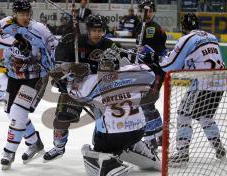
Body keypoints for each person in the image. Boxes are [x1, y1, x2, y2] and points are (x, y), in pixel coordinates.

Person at [57, 47, 163, 175]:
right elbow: (152, 71)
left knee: (92, 146)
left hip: (112, 137)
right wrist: (148, 61)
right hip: (138, 131)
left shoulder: (93, 82)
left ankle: (109, 166)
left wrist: (67, 83)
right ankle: (151, 159)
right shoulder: (139, 74)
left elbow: (76, 94)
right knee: (127, 133)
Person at [0, 0, 58, 170]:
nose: (25, 17)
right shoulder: (5, 24)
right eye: (21, 14)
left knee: (18, 112)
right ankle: (34, 142)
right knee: (11, 113)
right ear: (15, 13)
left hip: (36, 77)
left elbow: (54, 47)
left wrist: (57, 72)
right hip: (14, 75)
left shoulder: (39, 29)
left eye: (27, 14)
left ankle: (9, 152)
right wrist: (15, 42)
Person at [43, 15, 120, 162]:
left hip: (100, 92)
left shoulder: (111, 46)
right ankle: (58, 147)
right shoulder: (76, 42)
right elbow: (60, 67)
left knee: (105, 121)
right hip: (76, 89)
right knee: (61, 118)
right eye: (94, 30)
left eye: (100, 30)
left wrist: (90, 68)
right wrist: (61, 79)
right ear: (88, 30)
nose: (97, 34)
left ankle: (102, 146)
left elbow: (120, 68)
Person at [161, 13, 226, 166]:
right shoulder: (211, 36)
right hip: (220, 82)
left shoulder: (187, 39)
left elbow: (170, 66)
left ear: (183, 27)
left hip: (202, 83)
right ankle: (219, 148)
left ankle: (183, 153)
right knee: (205, 116)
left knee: (183, 114)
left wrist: (160, 59)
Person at [136, 0, 167, 151]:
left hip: (155, 71)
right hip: (146, 71)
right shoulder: (141, 27)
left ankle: (151, 140)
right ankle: (160, 136)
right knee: (148, 104)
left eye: (148, 11)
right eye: (143, 11)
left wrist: (143, 50)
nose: (145, 13)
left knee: (145, 103)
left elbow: (157, 48)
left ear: (153, 12)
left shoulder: (153, 28)